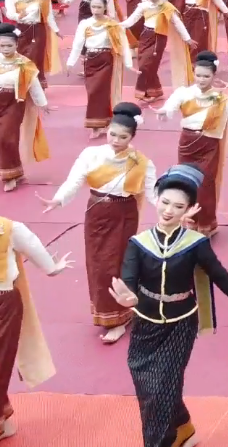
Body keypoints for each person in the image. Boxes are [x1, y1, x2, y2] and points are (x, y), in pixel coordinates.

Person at [110, 164, 228, 447]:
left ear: (189, 209)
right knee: (150, 388)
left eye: (177, 206)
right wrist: (129, 297)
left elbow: (221, 278)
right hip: (145, 322)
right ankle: (182, 427)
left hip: (180, 324)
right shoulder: (139, 243)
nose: (168, 210)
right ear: (157, 200)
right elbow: (129, 278)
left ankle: (161, 442)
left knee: (161, 388)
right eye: (165, 202)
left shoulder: (195, 244)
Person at [40, 103, 154, 344]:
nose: (116, 140)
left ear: (133, 137)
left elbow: (153, 194)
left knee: (116, 264)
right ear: (107, 130)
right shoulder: (91, 154)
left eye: (123, 137)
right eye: (113, 134)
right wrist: (58, 200)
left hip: (125, 214)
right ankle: (108, 312)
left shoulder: (141, 162)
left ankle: (120, 317)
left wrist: (176, 213)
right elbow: (74, 180)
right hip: (97, 214)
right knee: (97, 266)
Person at [157, 51, 228, 237]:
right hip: (187, 143)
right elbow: (169, 109)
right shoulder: (183, 93)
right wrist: (163, 112)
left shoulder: (222, 100)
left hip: (209, 145)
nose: (201, 79)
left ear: (214, 76)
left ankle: (206, 224)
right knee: (186, 182)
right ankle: (189, 220)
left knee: (206, 184)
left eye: (206, 76)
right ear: (193, 73)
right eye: (198, 75)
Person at [0, 216, 71, 439]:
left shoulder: (11, 229)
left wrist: (53, 268)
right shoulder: (11, 229)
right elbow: (43, 259)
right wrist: (54, 267)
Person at [66, 0, 133, 138]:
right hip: (90, 60)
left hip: (106, 60)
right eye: (93, 7)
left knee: (99, 92)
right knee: (92, 92)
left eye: (98, 7)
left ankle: (96, 126)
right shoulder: (85, 24)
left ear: (105, 8)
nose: (95, 10)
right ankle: (104, 120)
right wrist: (70, 63)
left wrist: (129, 64)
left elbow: (123, 44)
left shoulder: (112, 24)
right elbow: (78, 44)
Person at [0, 24, 49, 192]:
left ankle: (10, 176)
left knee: (6, 137)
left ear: (16, 45)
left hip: (14, 102)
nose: (5, 49)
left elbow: (33, 85)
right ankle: (14, 171)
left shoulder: (24, 64)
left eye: (9, 46)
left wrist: (42, 103)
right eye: (1, 46)